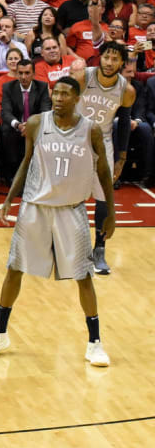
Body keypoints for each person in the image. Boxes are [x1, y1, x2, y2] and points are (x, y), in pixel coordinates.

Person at [0, 76, 114, 368]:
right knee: (14, 269)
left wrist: (110, 212)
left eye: (66, 94)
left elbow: (103, 172)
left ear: (77, 99)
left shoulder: (90, 130)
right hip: (34, 207)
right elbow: (27, 161)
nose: (59, 98)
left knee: (83, 275)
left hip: (70, 209)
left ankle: (95, 342)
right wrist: (10, 197)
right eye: (56, 93)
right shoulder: (38, 123)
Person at [72, 42, 135, 275]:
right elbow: (61, 104)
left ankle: (99, 250)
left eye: (115, 59)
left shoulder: (126, 90)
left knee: (102, 198)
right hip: (74, 140)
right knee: (67, 196)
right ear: (100, 58)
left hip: (103, 143)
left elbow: (125, 122)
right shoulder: (82, 78)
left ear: (122, 63)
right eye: (106, 57)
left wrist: (122, 157)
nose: (109, 63)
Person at [0, 59, 52, 186]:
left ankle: (40, 174)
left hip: (35, 126)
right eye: (20, 73)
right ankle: (12, 174)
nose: (23, 77)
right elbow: (5, 112)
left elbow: (45, 111)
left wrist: (30, 126)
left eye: (27, 73)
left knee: (47, 127)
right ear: (16, 73)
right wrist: (18, 125)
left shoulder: (42, 86)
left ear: (33, 74)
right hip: (16, 126)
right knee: (6, 129)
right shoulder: (8, 87)